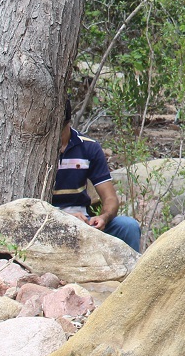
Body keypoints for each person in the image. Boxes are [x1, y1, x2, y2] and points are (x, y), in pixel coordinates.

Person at [55, 99, 142, 251]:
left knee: (128, 226)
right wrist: (63, 218)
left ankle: (133, 267)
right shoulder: (33, 149)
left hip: (83, 221)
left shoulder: (89, 147)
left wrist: (103, 218)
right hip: (47, 222)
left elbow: (110, 198)